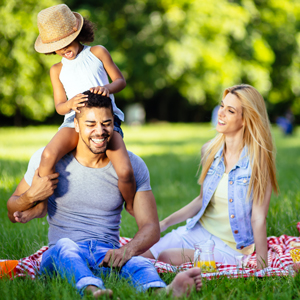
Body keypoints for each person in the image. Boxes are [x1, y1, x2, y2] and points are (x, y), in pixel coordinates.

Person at [7, 92, 202, 298]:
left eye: (106, 123)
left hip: (106, 254)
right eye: (90, 124)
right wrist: (30, 197)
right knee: (66, 247)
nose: (99, 131)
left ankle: (163, 291)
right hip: (61, 253)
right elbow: (12, 211)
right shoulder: (47, 159)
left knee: (138, 261)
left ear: (114, 124)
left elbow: (151, 227)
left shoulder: (133, 165)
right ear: (76, 125)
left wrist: (126, 250)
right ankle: (93, 291)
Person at [142, 84, 278, 270]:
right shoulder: (209, 150)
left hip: (230, 248)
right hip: (197, 231)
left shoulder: (259, 162)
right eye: (222, 106)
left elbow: (259, 218)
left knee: (166, 257)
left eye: (230, 111)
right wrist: (164, 224)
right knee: (140, 255)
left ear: (246, 119)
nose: (220, 113)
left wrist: (263, 267)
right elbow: (201, 200)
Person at [26, 3, 135, 222]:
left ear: (78, 33)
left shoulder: (97, 52)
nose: (64, 49)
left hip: (104, 123)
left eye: (67, 41)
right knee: (47, 155)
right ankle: (42, 204)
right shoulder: (57, 70)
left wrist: (107, 88)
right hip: (72, 122)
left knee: (125, 171)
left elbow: (120, 81)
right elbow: (59, 106)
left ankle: (131, 204)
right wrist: (70, 103)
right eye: (57, 46)